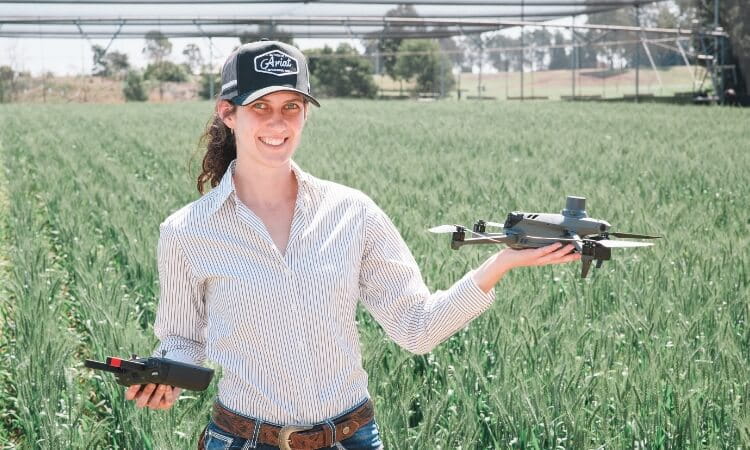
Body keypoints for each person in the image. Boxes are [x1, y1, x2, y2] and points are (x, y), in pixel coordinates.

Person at [124, 40, 580, 450]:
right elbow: (182, 339)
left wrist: (499, 263)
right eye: (260, 107)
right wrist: (164, 377)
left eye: (292, 107)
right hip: (245, 441)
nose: (278, 123)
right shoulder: (187, 231)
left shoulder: (352, 212)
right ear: (228, 113)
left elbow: (416, 328)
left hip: (351, 439)